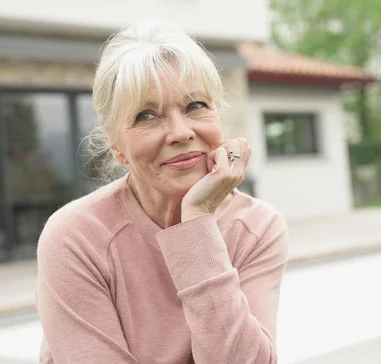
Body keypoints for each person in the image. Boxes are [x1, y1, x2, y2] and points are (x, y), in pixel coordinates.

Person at [36, 22, 290, 364]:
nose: (180, 132)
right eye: (147, 115)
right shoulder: (75, 237)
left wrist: (197, 220)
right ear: (116, 146)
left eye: (195, 106)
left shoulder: (257, 228)